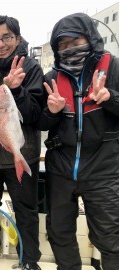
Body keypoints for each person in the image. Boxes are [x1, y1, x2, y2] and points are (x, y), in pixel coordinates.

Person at [37, 12, 119, 270]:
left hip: (104, 168)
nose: (69, 49)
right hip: (61, 167)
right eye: (62, 45)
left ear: (90, 39)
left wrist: (109, 98)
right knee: (59, 231)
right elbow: (41, 124)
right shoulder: (51, 78)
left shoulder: (113, 67)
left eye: (75, 42)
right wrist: (51, 111)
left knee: (110, 236)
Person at [0, 15, 44, 270]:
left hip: (21, 153)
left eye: (6, 37)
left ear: (17, 38)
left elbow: (36, 114)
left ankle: (29, 260)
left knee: (26, 210)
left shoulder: (32, 68)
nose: (1, 44)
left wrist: (17, 90)